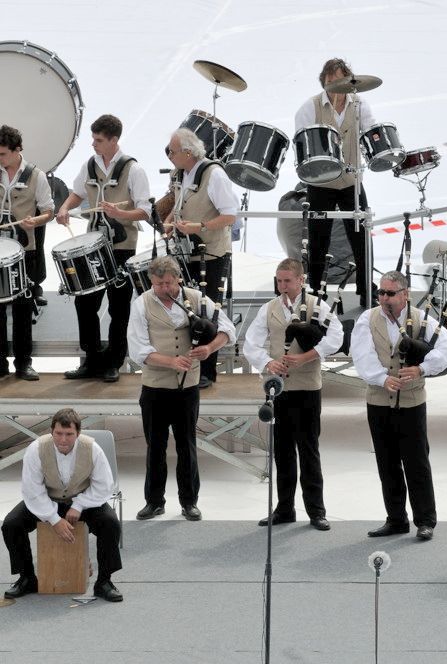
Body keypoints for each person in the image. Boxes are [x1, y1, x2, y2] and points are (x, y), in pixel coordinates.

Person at [127, 256, 236, 522]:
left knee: (187, 445)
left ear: (178, 278)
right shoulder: (142, 304)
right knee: (156, 447)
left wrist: (209, 349)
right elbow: (138, 349)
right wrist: (171, 362)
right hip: (155, 388)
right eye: (159, 283)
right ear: (151, 281)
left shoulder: (197, 298)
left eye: (169, 282)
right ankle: (154, 501)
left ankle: (189, 502)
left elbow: (228, 330)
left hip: (188, 388)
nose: (165, 288)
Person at [351, 270, 447, 541]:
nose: (384, 298)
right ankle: (396, 518)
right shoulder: (367, 319)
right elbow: (362, 356)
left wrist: (421, 369)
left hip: (411, 402)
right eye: (381, 293)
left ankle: (425, 520)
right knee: (387, 463)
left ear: (405, 294)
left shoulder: (422, 320)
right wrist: (381, 378)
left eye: (390, 293)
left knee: (416, 462)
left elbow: (446, 353)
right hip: (378, 401)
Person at [243, 259, 344, 531]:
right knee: (282, 451)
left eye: (287, 280)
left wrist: (307, 357)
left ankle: (316, 511)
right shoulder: (269, 309)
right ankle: (284, 509)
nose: (283, 286)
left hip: (308, 388)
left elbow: (335, 338)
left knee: (309, 450)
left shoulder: (318, 306)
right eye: (279, 280)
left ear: (301, 280)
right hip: (280, 388)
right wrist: (268, 362)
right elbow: (250, 344)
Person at [56, 114, 151, 383]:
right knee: (84, 302)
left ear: (114, 140)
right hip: (93, 247)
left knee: (119, 308)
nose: (93, 144)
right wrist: (64, 208)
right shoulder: (90, 166)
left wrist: (119, 214)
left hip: (122, 247)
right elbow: (78, 193)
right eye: (93, 139)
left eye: (98, 140)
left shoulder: (134, 170)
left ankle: (114, 362)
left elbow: (145, 210)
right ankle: (92, 360)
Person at [2, 409, 123, 602]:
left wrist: (79, 505)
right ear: (51, 431)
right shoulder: (36, 448)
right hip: (47, 500)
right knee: (11, 524)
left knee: (110, 524)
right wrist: (53, 519)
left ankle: (104, 582)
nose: (63, 440)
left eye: (69, 434)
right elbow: (32, 490)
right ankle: (27, 578)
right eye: (58, 433)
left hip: (83, 500)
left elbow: (104, 485)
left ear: (78, 433)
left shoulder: (92, 449)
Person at [294, 57, 376, 307]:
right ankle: (317, 291)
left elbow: (370, 133)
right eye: (329, 81)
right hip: (320, 183)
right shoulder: (309, 107)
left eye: (338, 80)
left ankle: (365, 289)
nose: (334, 85)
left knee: (361, 237)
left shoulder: (360, 105)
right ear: (324, 82)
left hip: (351, 180)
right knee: (319, 240)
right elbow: (301, 143)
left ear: (347, 79)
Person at [164, 128, 239, 389]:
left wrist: (199, 227)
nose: (169, 156)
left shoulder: (214, 174)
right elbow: (177, 206)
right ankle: (190, 366)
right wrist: (168, 223)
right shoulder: (179, 175)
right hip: (187, 254)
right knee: (187, 310)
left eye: (171, 152)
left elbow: (230, 216)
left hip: (212, 254)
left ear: (187, 152)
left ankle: (208, 370)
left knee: (209, 312)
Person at [0, 125, 54, 380]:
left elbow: (49, 211)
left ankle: (24, 364)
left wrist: (36, 221)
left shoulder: (36, 176)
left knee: (22, 309)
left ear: (16, 150)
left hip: (24, 252)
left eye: (2, 154)